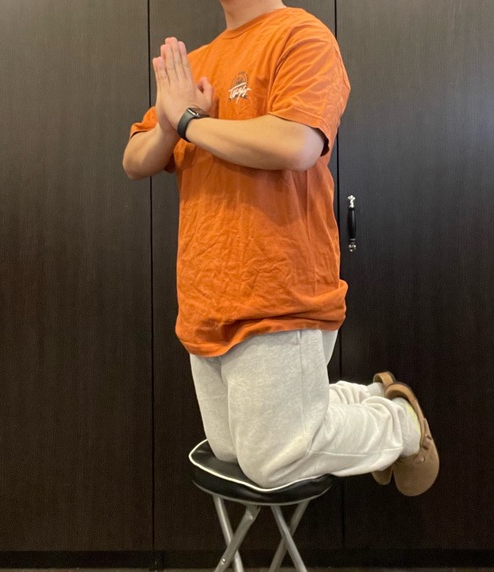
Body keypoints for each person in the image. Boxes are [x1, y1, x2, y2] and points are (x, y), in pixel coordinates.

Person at [123, 0, 439, 496]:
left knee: (274, 461)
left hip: (278, 290)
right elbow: (134, 159)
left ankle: (399, 424)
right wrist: (167, 124)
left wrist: (188, 122)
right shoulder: (197, 63)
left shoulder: (301, 35)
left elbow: (295, 144)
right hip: (205, 298)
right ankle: (371, 394)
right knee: (232, 450)